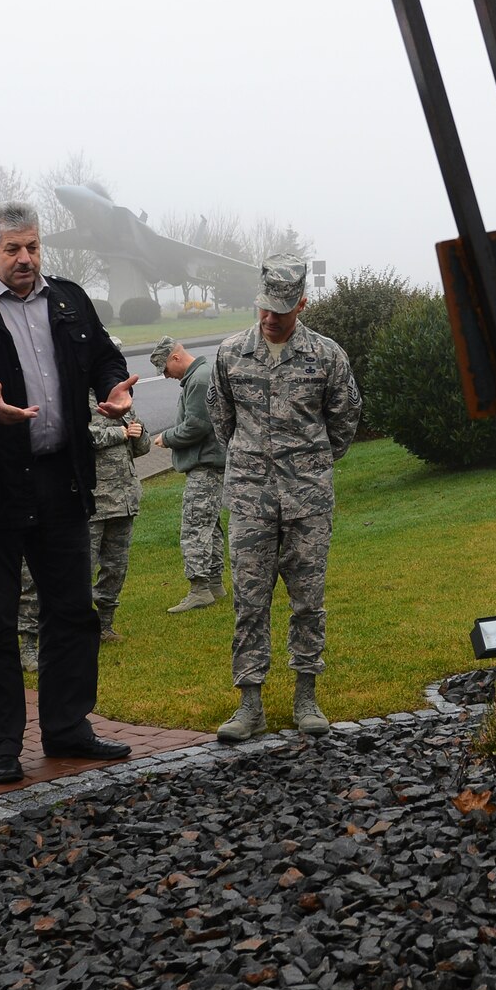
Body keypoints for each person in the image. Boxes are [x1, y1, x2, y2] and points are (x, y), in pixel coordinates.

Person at [0, 200, 138, 785]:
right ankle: (1, 746)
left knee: (72, 612)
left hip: (61, 480)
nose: (25, 258)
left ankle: (68, 727)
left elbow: (104, 356)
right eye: (13, 250)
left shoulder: (68, 298)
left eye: (32, 247)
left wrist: (113, 389)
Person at [206, 255, 362, 742]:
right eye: (264, 309)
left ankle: (305, 697)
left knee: (307, 602)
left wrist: (309, 465)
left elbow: (345, 418)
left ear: (302, 303)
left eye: (281, 310)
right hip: (251, 500)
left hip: (307, 502)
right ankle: (249, 704)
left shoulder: (326, 355)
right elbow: (221, 419)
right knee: (250, 603)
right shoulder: (231, 354)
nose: (270, 319)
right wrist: (255, 463)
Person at [150, 336, 228, 613]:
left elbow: (196, 425)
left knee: (194, 528)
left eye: (165, 369)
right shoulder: (202, 375)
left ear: (175, 358)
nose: (166, 376)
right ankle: (215, 584)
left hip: (205, 465)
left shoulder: (199, 379)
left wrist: (166, 438)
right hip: (212, 464)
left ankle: (199, 589)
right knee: (211, 527)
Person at [86, 394, 152, 641]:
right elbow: (83, 437)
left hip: (124, 500)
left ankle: (104, 625)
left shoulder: (122, 402)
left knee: (116, 568)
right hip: (93, 501)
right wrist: (121, 434)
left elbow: (141, 448)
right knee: (83, 569)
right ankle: (77, 628)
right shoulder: (80, 398)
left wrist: (139, 432)